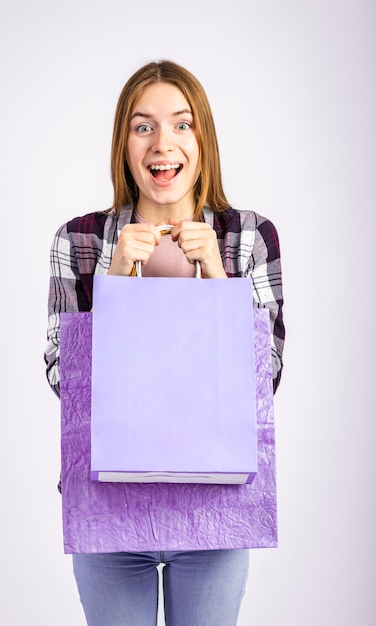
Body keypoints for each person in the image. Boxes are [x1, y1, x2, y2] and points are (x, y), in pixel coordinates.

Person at [45, 60, 285, 626]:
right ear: (124, 143)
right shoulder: (80, 240)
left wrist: (219, 282)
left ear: (202, 138)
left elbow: (266, 377)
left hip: (215, 503)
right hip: (108, 500)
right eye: (142, 125)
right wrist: (113, 278)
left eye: (181, 124)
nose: (163, 143)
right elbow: (62, 374)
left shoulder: (249, 236)